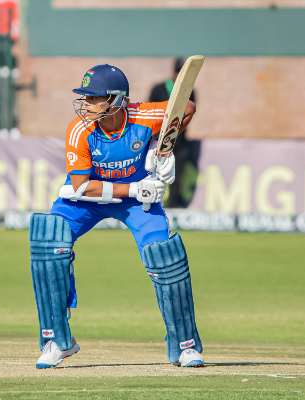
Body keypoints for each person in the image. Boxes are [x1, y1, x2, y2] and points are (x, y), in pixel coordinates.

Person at [29, 64, 204, 369]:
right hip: (92, 199)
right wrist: (136, 187)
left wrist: (161, 148)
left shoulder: (142, 116)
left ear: (117, 99)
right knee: (49, 237)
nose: (86, 104)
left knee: (164, 256)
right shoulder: (79, 130)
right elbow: (82, 185)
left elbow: (186, 108)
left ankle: (185, 345)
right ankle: (57, 340)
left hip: (137, 203)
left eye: (94, 98)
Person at [149, 57, 198, 208]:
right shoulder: (159, 89)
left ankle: (174, 204)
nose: (178, 76)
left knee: (177, 174)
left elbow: (191, 112)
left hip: (180, 141)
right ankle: (152, 201)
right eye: (177, 72)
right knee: (155, 173)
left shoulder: (189, 91)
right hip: (159, 140)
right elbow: (151, 111)